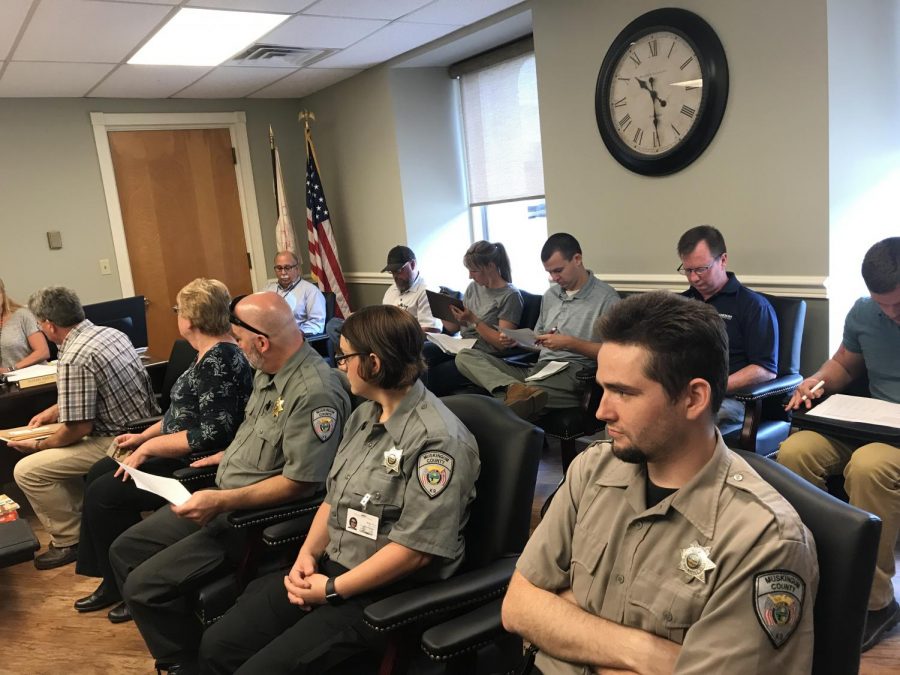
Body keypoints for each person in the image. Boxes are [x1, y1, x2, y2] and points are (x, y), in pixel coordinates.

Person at [501, 291, 818, 674]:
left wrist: (567, 615)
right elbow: (518, 605)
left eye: (623, 392)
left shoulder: (762, 537)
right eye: (603, 388)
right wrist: (647, 653)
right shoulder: (592, 470)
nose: (601, 410)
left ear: (693, 398)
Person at [198, 304, 480, 674]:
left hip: (384, 596)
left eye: (344, 357)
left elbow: (415, 551)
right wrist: (307, 556)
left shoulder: (438, 441)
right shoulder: (364, 415)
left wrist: (333, 589)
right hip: (331, 569)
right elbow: (334, 499)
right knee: (218, 645)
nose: (339, 365)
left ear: (374, 364)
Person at [107, 291, 350, 673]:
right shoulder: (269, 374)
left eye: (238, 339)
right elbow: (259, 438)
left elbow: (302, 484)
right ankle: (186, 637)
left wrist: (221, 501)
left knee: (143, 588)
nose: (235, 346)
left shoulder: (313, 391)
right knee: (126, 549)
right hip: (220, 496)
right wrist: (227, 456)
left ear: (261, 342)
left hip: (248, 517)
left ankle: (185, 663)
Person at [72, 278, 254, 622]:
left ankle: (122, 583)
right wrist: (142, 438)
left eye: (178, 310)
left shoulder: (223, 360)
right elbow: (178, 415)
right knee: (99, 471)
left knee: (106, 491)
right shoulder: (205, 353)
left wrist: (151, 446)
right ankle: (112, 577)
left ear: (189, 318)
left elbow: (214, 432)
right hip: (176, 450)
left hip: (197, 464)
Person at [779, 236, 900, 651]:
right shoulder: (866, 312)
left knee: (870, 466)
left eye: (898, 305)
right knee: (795, 452)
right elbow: (845, 362)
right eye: (882, 304)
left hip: (887, 447)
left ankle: (875, 602)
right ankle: (811, 578)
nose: (891, 314)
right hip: (874, 423)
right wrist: (815, 382)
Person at [10, 286, 158, 570]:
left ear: (50, 326)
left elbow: (76, 429)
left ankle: (71, 540)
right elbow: (99, 390)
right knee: (54, 458)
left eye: (40, 324)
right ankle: (88, 528)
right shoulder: (111, 334)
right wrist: (55, 410)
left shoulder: (74, 356)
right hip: (143, 428)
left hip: (117, 441)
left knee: (28, 470)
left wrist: (38, 445)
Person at [456, 233, 619, 419]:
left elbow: (614, 353)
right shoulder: (551, 295)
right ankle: (516, 391)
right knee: (465, 357)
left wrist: (569, 343)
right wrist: (517, 340)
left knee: (510, 402)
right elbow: (537, 342)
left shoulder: (606, 299)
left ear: (577, 259)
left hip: (575, 372)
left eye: (558, 270)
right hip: (539, 368)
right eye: (549, 272)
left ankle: (516, 398)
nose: (554, 277)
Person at [678, 225, 778, 425]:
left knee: (684, 421)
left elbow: (765, 369)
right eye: (687, 270)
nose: (693, 278)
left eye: (701, 269)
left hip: (730, 398)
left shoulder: (753, 306)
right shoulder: (680, 304)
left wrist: (712, 388)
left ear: (723, 260)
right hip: (680, 392)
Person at [425, 240, 524, 396]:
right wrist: (442, 309)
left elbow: (501, 344)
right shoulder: (473, 288)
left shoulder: (510, 296)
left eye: (474, 271)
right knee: (421, 351)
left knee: (435, 376)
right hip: (461, 345)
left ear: (490, 266)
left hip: (484, 354)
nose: (470, 276)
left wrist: (474, 320)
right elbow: (455, 328)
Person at [324, 244, 441, 346]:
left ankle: (359, 353)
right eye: (392, 272)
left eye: (399, 270)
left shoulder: (426, 291)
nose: (395, 276)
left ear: (413, 265)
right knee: (334, 325)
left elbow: (432, 331)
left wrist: (394, 331)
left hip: (402, 341)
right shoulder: (392, 290)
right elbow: (383, 318)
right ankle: (357, 352)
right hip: (383, 335)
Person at [264, 250, 327, 335]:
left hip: (295, 339)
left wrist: (295, 334)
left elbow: (316, 324)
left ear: (297, 269)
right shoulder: (267, 290)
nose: (283, 272)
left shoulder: (311, 291)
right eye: (279, 268)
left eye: (287, 268)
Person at [0, 277, 50, 374]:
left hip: (31, 378)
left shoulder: (23, 315)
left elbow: (43, 351)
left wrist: (11, 369)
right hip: (5, 383)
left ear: (3, 293)